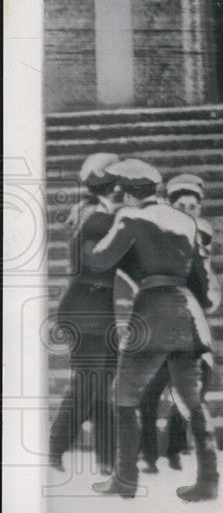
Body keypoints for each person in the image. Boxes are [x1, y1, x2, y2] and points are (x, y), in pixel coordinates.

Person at [85, 158, 220, 502]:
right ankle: (209, 481)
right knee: (192, 401)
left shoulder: (130, 217)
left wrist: (90, 243)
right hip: (186, 315)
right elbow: (202, 283)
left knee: (124, 396)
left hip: (150, 316)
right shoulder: (185, 221)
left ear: (128, 192)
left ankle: (126, 479)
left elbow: (101, 259)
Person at [138, 174, 219, 473]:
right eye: (181, 205)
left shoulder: (197, 242)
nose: (188, 211)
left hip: (187, 327)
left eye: (193, 206)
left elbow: (206, 288)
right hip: (162, 325)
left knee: (186, 391)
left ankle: (170, 450)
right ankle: (151, 453)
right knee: (150, 392)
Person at [48, 152, 121, 474]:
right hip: (86, 312)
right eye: (114, 180)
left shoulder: (101, 213)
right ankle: (55, 446)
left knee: (104, 385)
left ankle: (106, 457)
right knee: (88, 385)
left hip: (101, 312)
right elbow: (94, 261)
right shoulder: (94, 215)